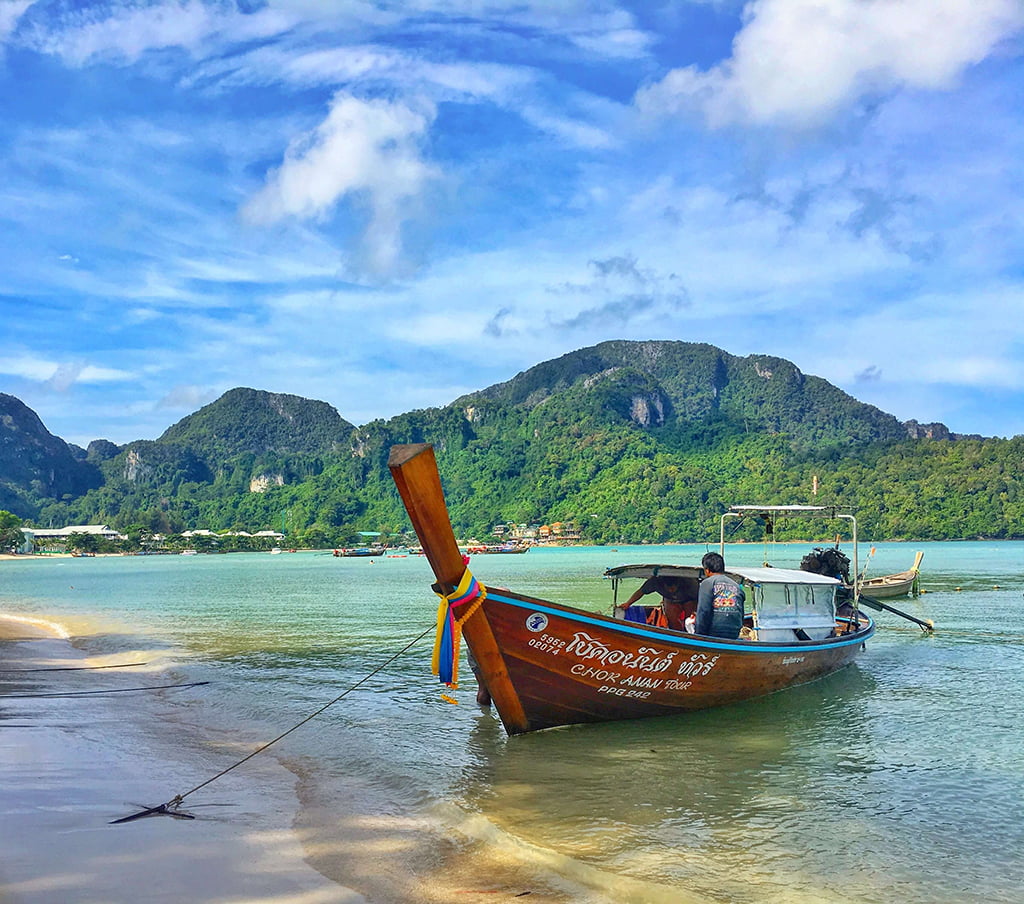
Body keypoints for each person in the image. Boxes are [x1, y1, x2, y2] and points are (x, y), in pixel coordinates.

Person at [621, 574, 699, 631]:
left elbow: (699, 598)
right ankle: (677, 633)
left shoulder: (690, 584)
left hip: (689, 599)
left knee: (689, 619)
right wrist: (628, 603)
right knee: (672, 620)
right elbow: (641, 592)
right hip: (669, 599)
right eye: (669, 588)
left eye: (673, 588)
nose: (671, 590)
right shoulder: (655, 582)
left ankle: (688, 633)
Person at [695, 552, 745, 639]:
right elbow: (741, 613)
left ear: (707, 570)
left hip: (714, 632)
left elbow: (703, 611)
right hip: (734, 632)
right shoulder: (736, 585)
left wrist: (698, 636)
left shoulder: (707, 583)